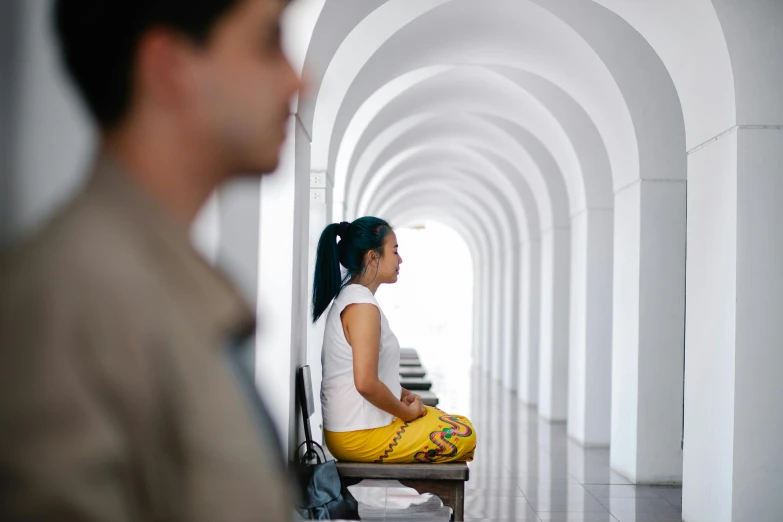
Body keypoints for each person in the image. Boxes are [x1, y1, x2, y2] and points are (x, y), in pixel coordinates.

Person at [0, 0, 302, 520]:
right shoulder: (69, 300)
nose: (299, 80)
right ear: (169, 67)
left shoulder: (151, 283)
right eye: (268, 40)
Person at [312, 217, 477, 463]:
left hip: (356, 427)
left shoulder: (356, 300)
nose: (400, 260)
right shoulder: (361, 307)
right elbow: (366, 383)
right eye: (395, 251)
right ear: (373, 257)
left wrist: (404, 396)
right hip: (357, 435)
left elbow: (371, 377)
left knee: (457, 424)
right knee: (463, 434)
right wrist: (406, 414)